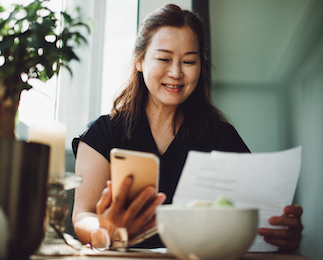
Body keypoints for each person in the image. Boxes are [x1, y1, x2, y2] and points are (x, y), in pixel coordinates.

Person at [71, 4, 303, 251]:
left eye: (189, 62)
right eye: (164, 59)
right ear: (139, 61)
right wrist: (104, 232)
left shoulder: (223, 138)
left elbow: (254, 219)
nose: (176, 73)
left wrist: (280, 230)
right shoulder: (102, 133)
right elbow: (83, 214)